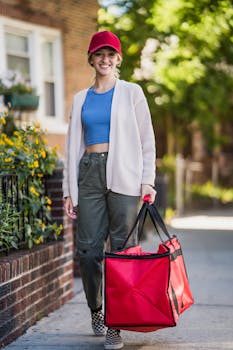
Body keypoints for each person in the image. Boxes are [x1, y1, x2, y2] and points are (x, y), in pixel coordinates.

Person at [63, 30, 156, 350]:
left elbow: (147, 140)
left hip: (126, 176)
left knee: (122, 251)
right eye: (99, 54)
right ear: (91, 58)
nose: (105, 59)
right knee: (88, 252)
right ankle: (97, 310)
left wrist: (148, 180)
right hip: (89, 173)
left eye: (111, 54)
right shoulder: (80, 98)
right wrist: (68, 190)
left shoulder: (132, 92)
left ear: (118, 59)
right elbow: (72, 146)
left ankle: (116, 324)